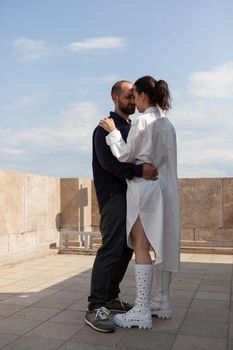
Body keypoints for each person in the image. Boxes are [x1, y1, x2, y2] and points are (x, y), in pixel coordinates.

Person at [99, 75, 180, 330]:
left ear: (143, 95)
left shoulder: (142, 121)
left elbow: (125, 155)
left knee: (141, 245)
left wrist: (113, 133)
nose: (133, 100)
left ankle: (141, 309)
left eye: (135, 95)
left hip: (144, 190)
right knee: (165, 242)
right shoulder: (167, 123)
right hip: (167, 188)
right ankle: (162, 301)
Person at [85, 80, 158, 333]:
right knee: (112, 248)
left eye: (134, 95)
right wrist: (140, 170)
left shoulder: (132, 126)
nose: (133, 99)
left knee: (127, 249)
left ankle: (111, 297)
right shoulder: (105, 128)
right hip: (114, 197)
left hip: (134, 197)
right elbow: (110, 165)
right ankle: (95, 306)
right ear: (115, 98)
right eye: (128, 96)